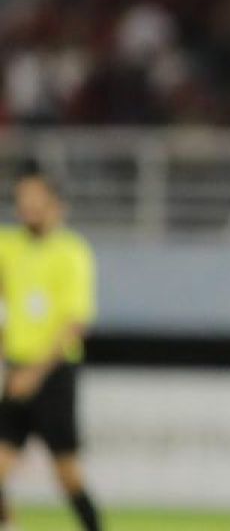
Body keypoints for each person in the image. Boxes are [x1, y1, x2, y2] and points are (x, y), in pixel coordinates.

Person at [0, 167, 102, 531]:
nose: (26, 207)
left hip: (54, 374)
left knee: (68, 474)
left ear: (55, 205)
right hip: (17, 369)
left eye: (35, 200)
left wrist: (34, 374)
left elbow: (76, 323)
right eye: (22, 200)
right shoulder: (8, 245)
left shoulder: (72, 252)